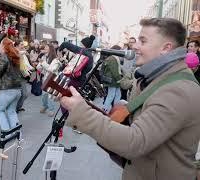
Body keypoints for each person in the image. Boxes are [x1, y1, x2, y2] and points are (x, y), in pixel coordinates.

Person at [60, 18, 200, 180]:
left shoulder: (178, 90)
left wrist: (82, 112)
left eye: (143, 41)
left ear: (166, 48)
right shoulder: (157, 77)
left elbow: (134, 141)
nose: (135, 46)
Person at [0, 37, 22, 131]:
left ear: (4, 47)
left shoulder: (4, 57)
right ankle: (16, 133)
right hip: (17, 89)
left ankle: (6, 132)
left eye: (0, 45)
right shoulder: (15, 57)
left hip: (7, 89)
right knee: (11, 111)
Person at [37, 43, 57, 117]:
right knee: (44, 94)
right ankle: (45, 106)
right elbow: (39, 67)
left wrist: (43, 63)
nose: (44, 48)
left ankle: (51, 109)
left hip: (52, 79)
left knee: (50, 95)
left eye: (46, 47)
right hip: (45, 78)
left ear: (50, 49)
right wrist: (41, 65)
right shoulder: (44, 57)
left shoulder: (55, 59)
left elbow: (51, 69)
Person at [101, 45, 123, 113]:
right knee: (111, 95)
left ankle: (115, 109)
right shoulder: (113, 59)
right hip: (113, 80)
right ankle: (104, 109)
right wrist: (119, 79)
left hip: (113, 80)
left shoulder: (110, 58)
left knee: (117, 95)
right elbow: (114, 71)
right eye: (120, 50)